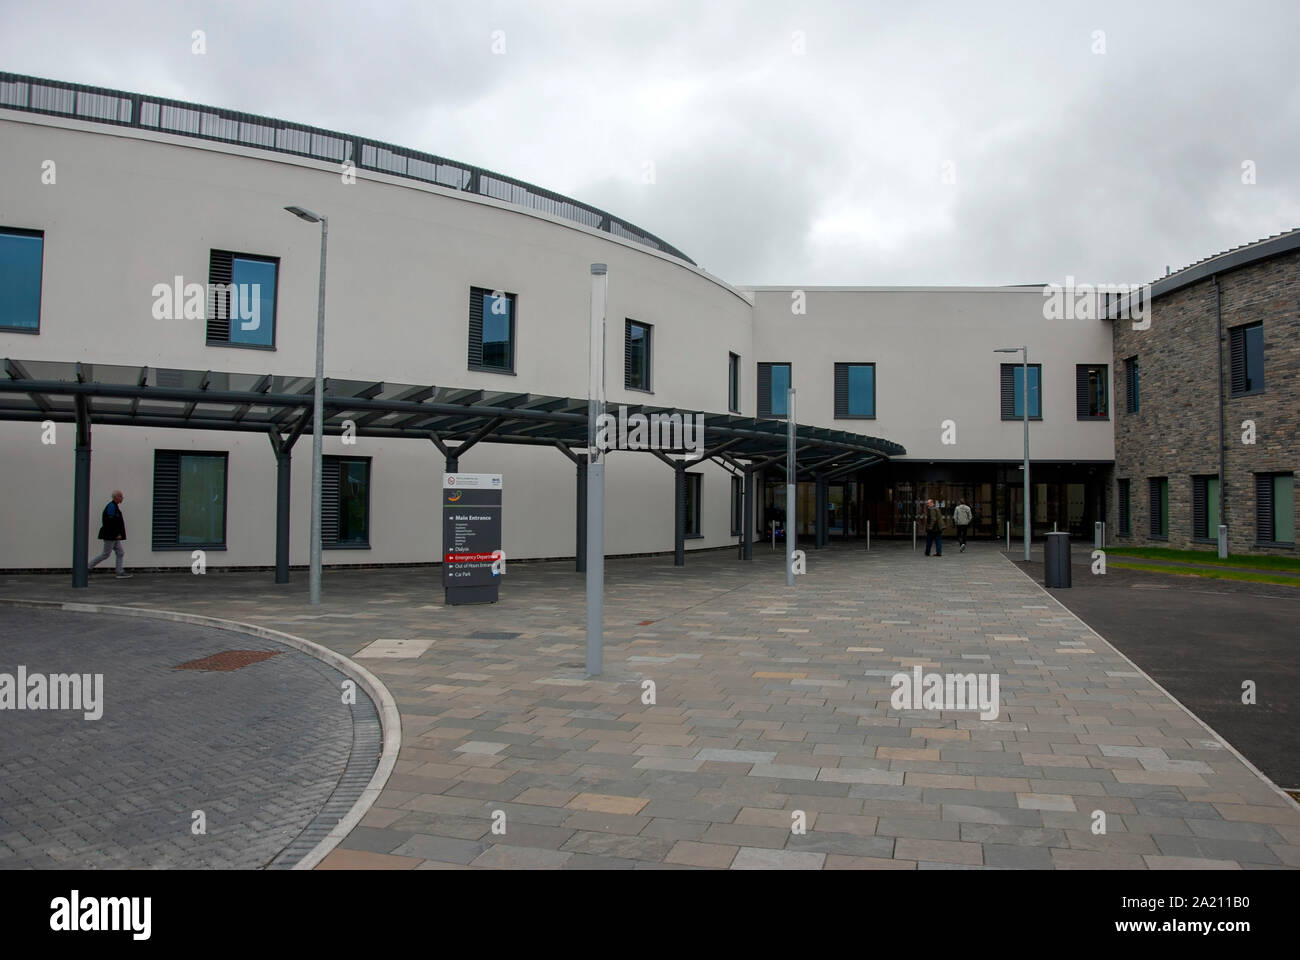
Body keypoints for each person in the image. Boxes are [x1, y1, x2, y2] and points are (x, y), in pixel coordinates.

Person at [88, 490, 132, 579]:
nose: (122, 498)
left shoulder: (114, 506)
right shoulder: (111, 507)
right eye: (121, 496)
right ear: (116, 497)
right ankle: (87, 567)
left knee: (120, 552)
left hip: (113, 535)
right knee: (105, 554)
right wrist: (116, 534)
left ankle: (119, 572)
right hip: (111, 535)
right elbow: (110, 522)